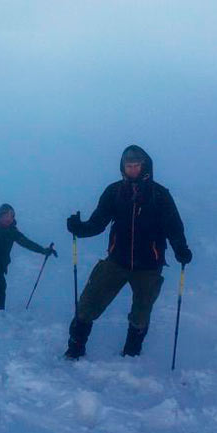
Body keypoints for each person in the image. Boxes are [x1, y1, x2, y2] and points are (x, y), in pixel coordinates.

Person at [64, 145, 192, 359]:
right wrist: (79, 228)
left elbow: (174, 226)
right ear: (123, 167)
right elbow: (98, 223)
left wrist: (181, 249)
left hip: (149, 265)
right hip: (116, 261)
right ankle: (75, 348)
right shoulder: (114, 191)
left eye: (136, 165)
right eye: (128, 165)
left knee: (140, 314)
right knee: (88, 304)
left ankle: (131, 353)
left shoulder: (159, 194)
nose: (132, 169)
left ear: (145, 165)